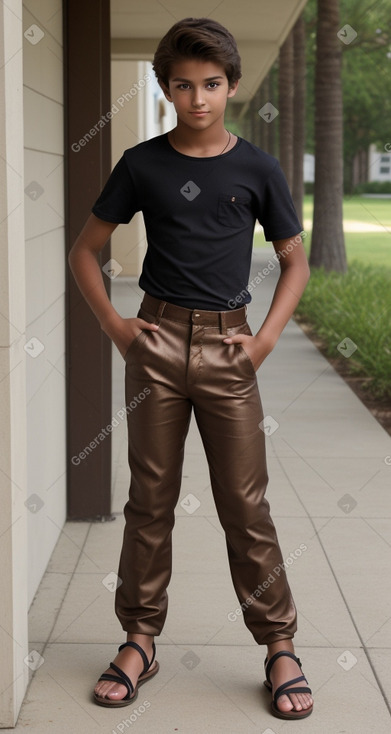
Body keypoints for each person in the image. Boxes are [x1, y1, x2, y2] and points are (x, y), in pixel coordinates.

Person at [68, 17, 313, 720]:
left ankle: (278, 644)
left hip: (230, 351)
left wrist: (263, 341)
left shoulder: (257, 168)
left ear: (231, 86)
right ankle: (138, 638)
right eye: (182, 85)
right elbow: (86, 250)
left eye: (210, 84)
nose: (197, 98)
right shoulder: (143, 164)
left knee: (245, 504)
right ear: (166, 88)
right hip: (157, 344)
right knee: (150, 501)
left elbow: (293, 260)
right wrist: (117, 327)